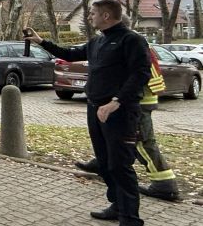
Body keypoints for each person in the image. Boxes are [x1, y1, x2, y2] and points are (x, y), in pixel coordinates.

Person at [26, 0, 151, 226]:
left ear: (106, 16)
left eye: (93, 13)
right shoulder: (98, 41)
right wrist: (42, 42)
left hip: (119, 112)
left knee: (120, 165)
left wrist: (116, 101)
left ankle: (131, 221)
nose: (89, 17)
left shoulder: (131, 40)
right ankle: (116, 206)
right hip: (95, 110)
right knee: (104, 162)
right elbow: (70, 54)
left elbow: (141, 74)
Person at [75, 45, 180, 202]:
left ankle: (165, 184)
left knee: (142, 143)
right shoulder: (125, 43)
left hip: (138, 103)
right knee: (115, 139)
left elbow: (137, 75)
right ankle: (101, 163)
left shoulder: (130, 45)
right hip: (133, 101)